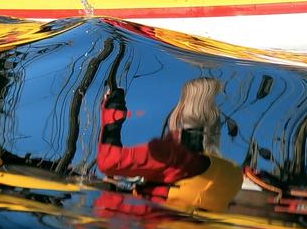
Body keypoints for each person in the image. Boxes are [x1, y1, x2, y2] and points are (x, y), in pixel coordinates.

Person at [96, 77, 243, 213]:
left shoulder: (170, 155)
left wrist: (112, 109)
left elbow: (109, 161)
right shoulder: (234, 173)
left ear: (178, 114)